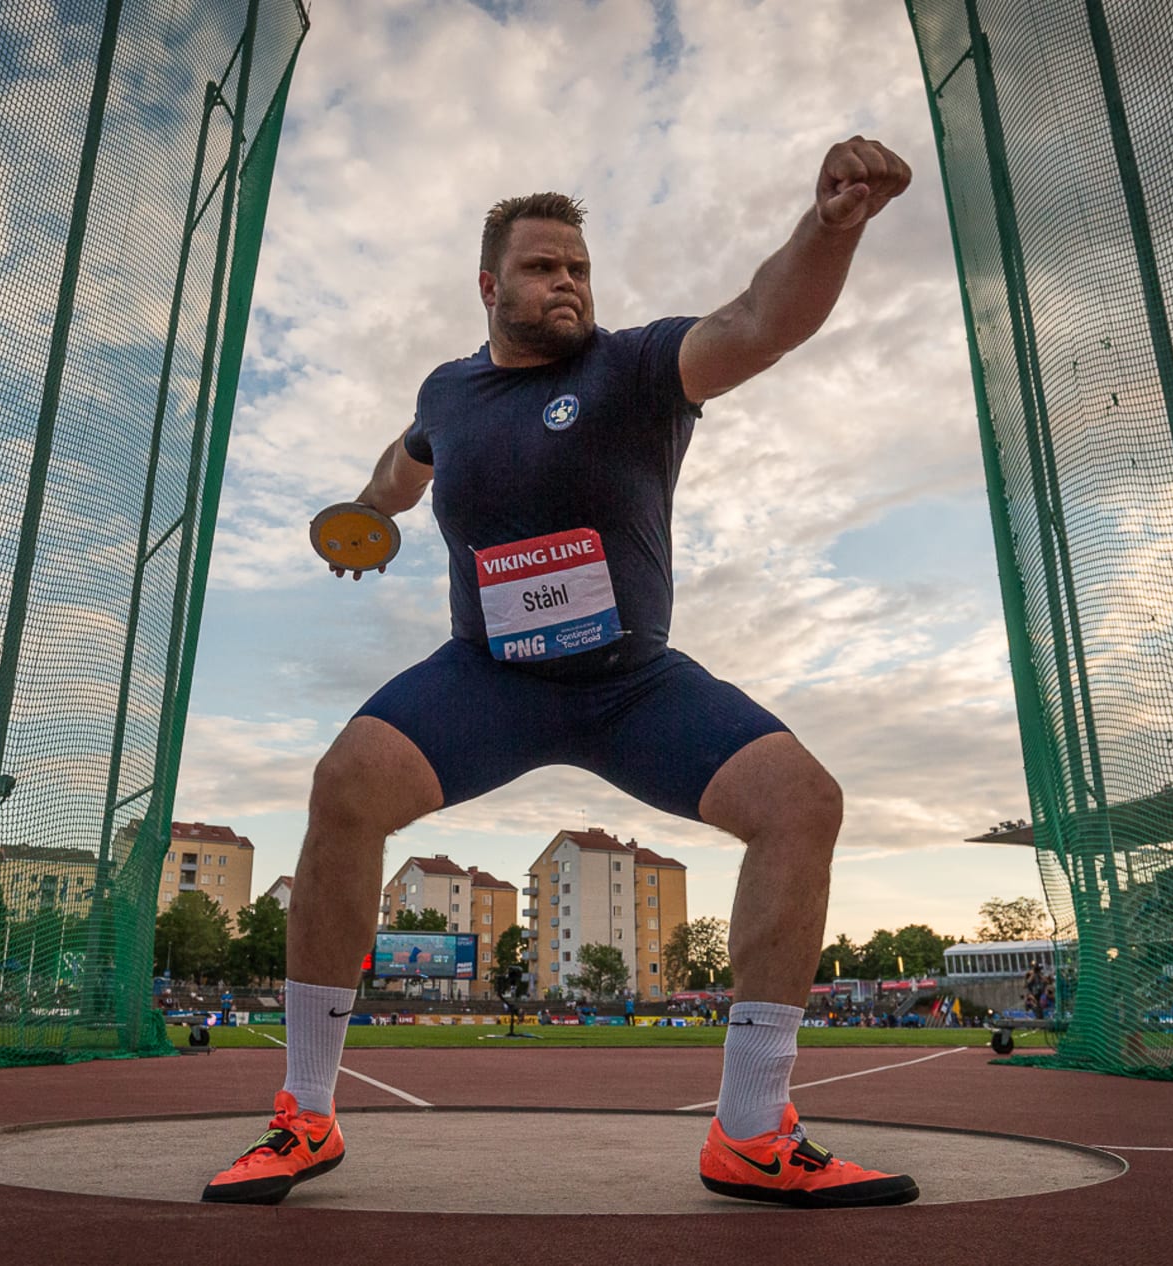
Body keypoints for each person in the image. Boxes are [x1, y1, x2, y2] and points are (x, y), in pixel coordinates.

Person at [202, 136, 916, 1211]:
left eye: (579, 265)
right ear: (492, 287)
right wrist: (365, 514)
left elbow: (758, 323)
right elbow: (408, 462)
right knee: (345, 785)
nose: (569, 282)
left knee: (801, 802)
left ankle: (752, 1132)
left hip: (631, 686)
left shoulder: (631, 369)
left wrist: (831, 225)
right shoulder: (448, 391)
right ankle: (304, 1116)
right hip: (487, 681)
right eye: (544, 267)